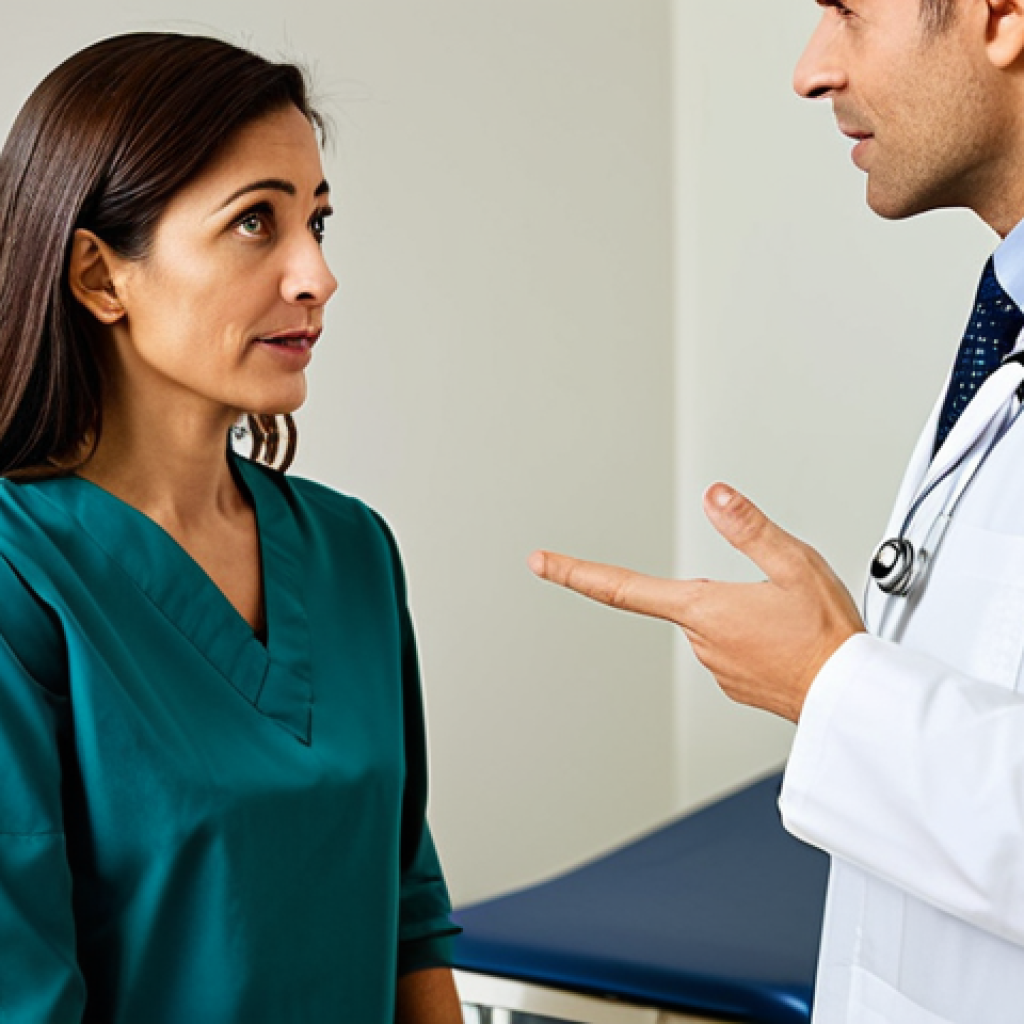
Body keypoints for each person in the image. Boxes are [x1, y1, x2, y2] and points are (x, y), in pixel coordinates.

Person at [530, 0, 1024, 1020]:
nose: (809, 70)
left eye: (847, 12)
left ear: (1000, 14)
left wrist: (829, 681)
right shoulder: (1003, 313)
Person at [0, 32, 462, 1024]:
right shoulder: (18, 575)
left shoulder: (354, 555)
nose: (316, 277)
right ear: (97, 276)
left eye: (319, 224)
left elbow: (407, 912)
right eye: (256, 222)